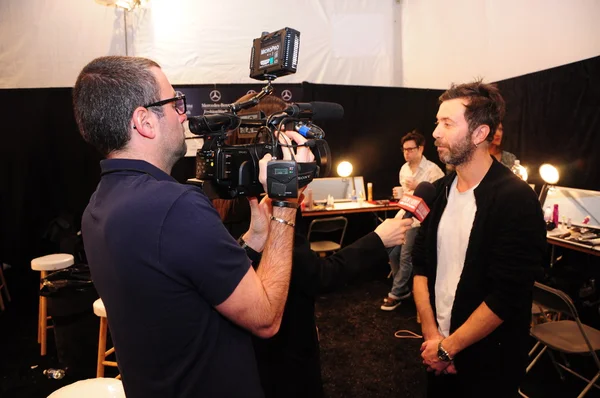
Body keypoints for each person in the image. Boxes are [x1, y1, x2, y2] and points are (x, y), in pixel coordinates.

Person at [72, 56, 311, 398]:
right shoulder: (176, 207)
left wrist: (255, 237)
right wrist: (286, 203)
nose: (183, 114)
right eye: (174, 103)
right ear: (145, 122)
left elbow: (183, 281)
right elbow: (266, 317)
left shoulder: (98, 206)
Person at [217, 94, 414, 398]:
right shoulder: (263, 207)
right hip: (281, 354)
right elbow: (317, 276)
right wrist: (379, 239)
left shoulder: (231, 196)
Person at [412, 79, 546, 397]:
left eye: (447, 123)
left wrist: (449, 349)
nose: (435, 133)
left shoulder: (515, 199)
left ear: (479, 133)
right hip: (436, 349)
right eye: (437, 122)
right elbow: (420, 265)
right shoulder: (441, 190)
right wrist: (433, 338)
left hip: (488, 364)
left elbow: (507, 294)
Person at [382, 130, 444, 311]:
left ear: (421, 149)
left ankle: (396, 293)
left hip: (420, 220)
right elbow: (405, 197)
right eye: (404, 150)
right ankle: (402, 289)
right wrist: (399, 196)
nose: (407, 153)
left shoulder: (433, 170)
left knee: (405, 256)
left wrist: (419, 188)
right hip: (404, 215)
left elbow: (438, 199)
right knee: (392, 252)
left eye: (410, 149)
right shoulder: (404, 169)